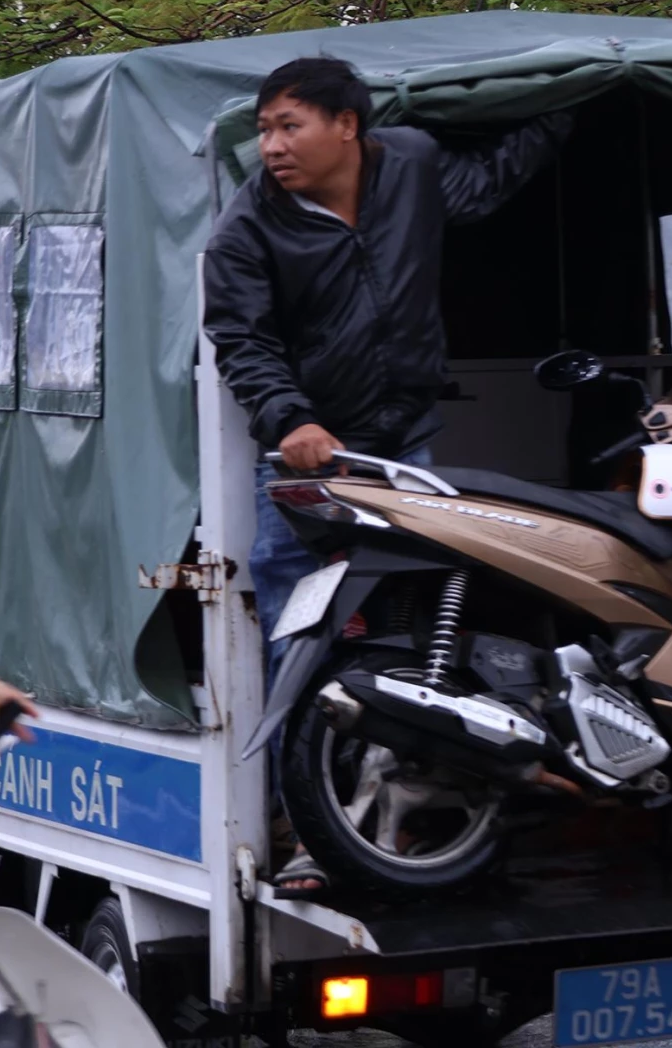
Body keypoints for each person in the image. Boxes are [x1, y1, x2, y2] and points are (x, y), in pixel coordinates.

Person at [202, 57, 572, 896]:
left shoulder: (409, 163)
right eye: (263, 130)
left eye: (287, 126)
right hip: (314, 456)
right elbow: (243, 342)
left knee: (420, 623)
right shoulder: (247, 229)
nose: (271, 147)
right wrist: (290, 420)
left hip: (408, 437)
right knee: (306, 633)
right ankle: (301, 828)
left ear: (347, 126)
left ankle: (438, 799)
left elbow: (481, 189)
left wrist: (567, 108)